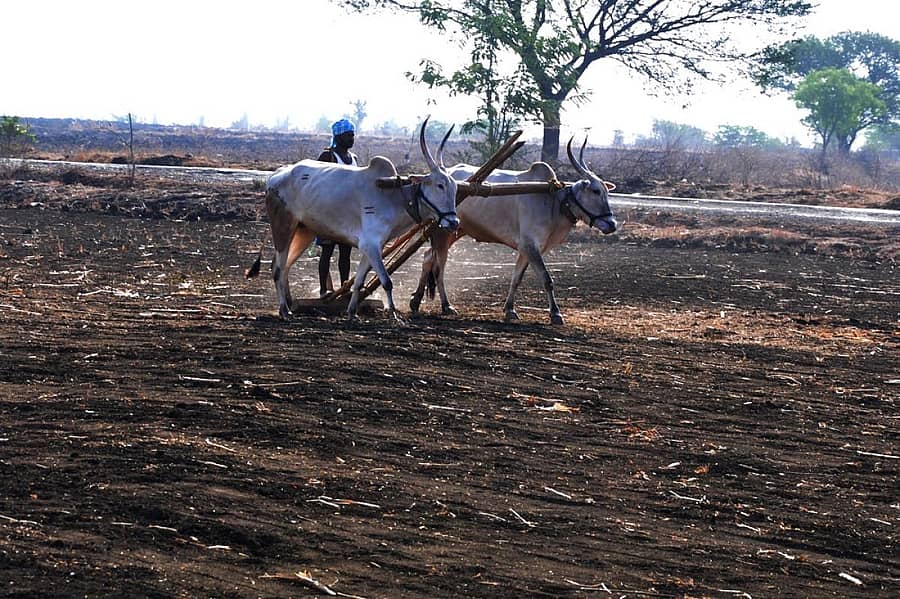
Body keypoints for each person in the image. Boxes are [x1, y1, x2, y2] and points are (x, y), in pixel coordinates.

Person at [315, 118, 358, 297]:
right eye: (348, 136)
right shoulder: (328, 156)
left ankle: (344, 288)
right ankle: (324, 289)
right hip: (329, 213)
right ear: (338, 137)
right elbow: (316, 182)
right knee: (327, 251)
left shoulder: (353, 159)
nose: (351, 139)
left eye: (353, 135)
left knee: (345, 253)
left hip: (347, 214)